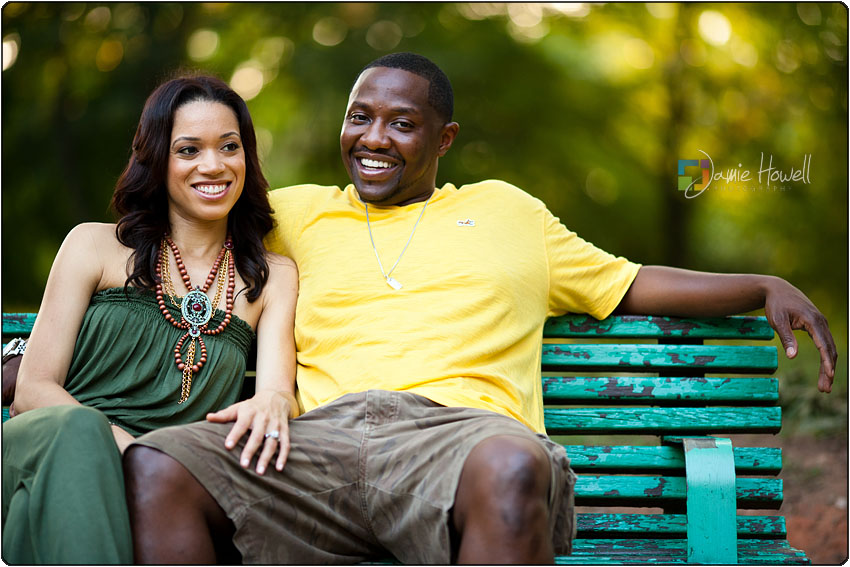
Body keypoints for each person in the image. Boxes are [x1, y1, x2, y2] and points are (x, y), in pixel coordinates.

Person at [124, 53, 837, 564]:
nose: (373, 139)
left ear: (445, 138)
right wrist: (31, 360)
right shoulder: (291, 214)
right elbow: (175, 259)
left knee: (512, 462)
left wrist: (760, 285)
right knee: (161, 464)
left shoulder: (509, 213)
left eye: (401, 123)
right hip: (316, 449)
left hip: (461, 443)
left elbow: (631, 281)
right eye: (359, 118)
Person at [1, 75, 298, 564]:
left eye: (229, 146)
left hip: (161, 486)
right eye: (188, 150)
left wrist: (273, 400)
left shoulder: (271, 278)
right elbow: (33, 391)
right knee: (81, 433)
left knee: (39, 522)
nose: (214, 165)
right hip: (45, 447)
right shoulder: (93, 246)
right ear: (157, 160)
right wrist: (137, 457)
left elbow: (274, 391)